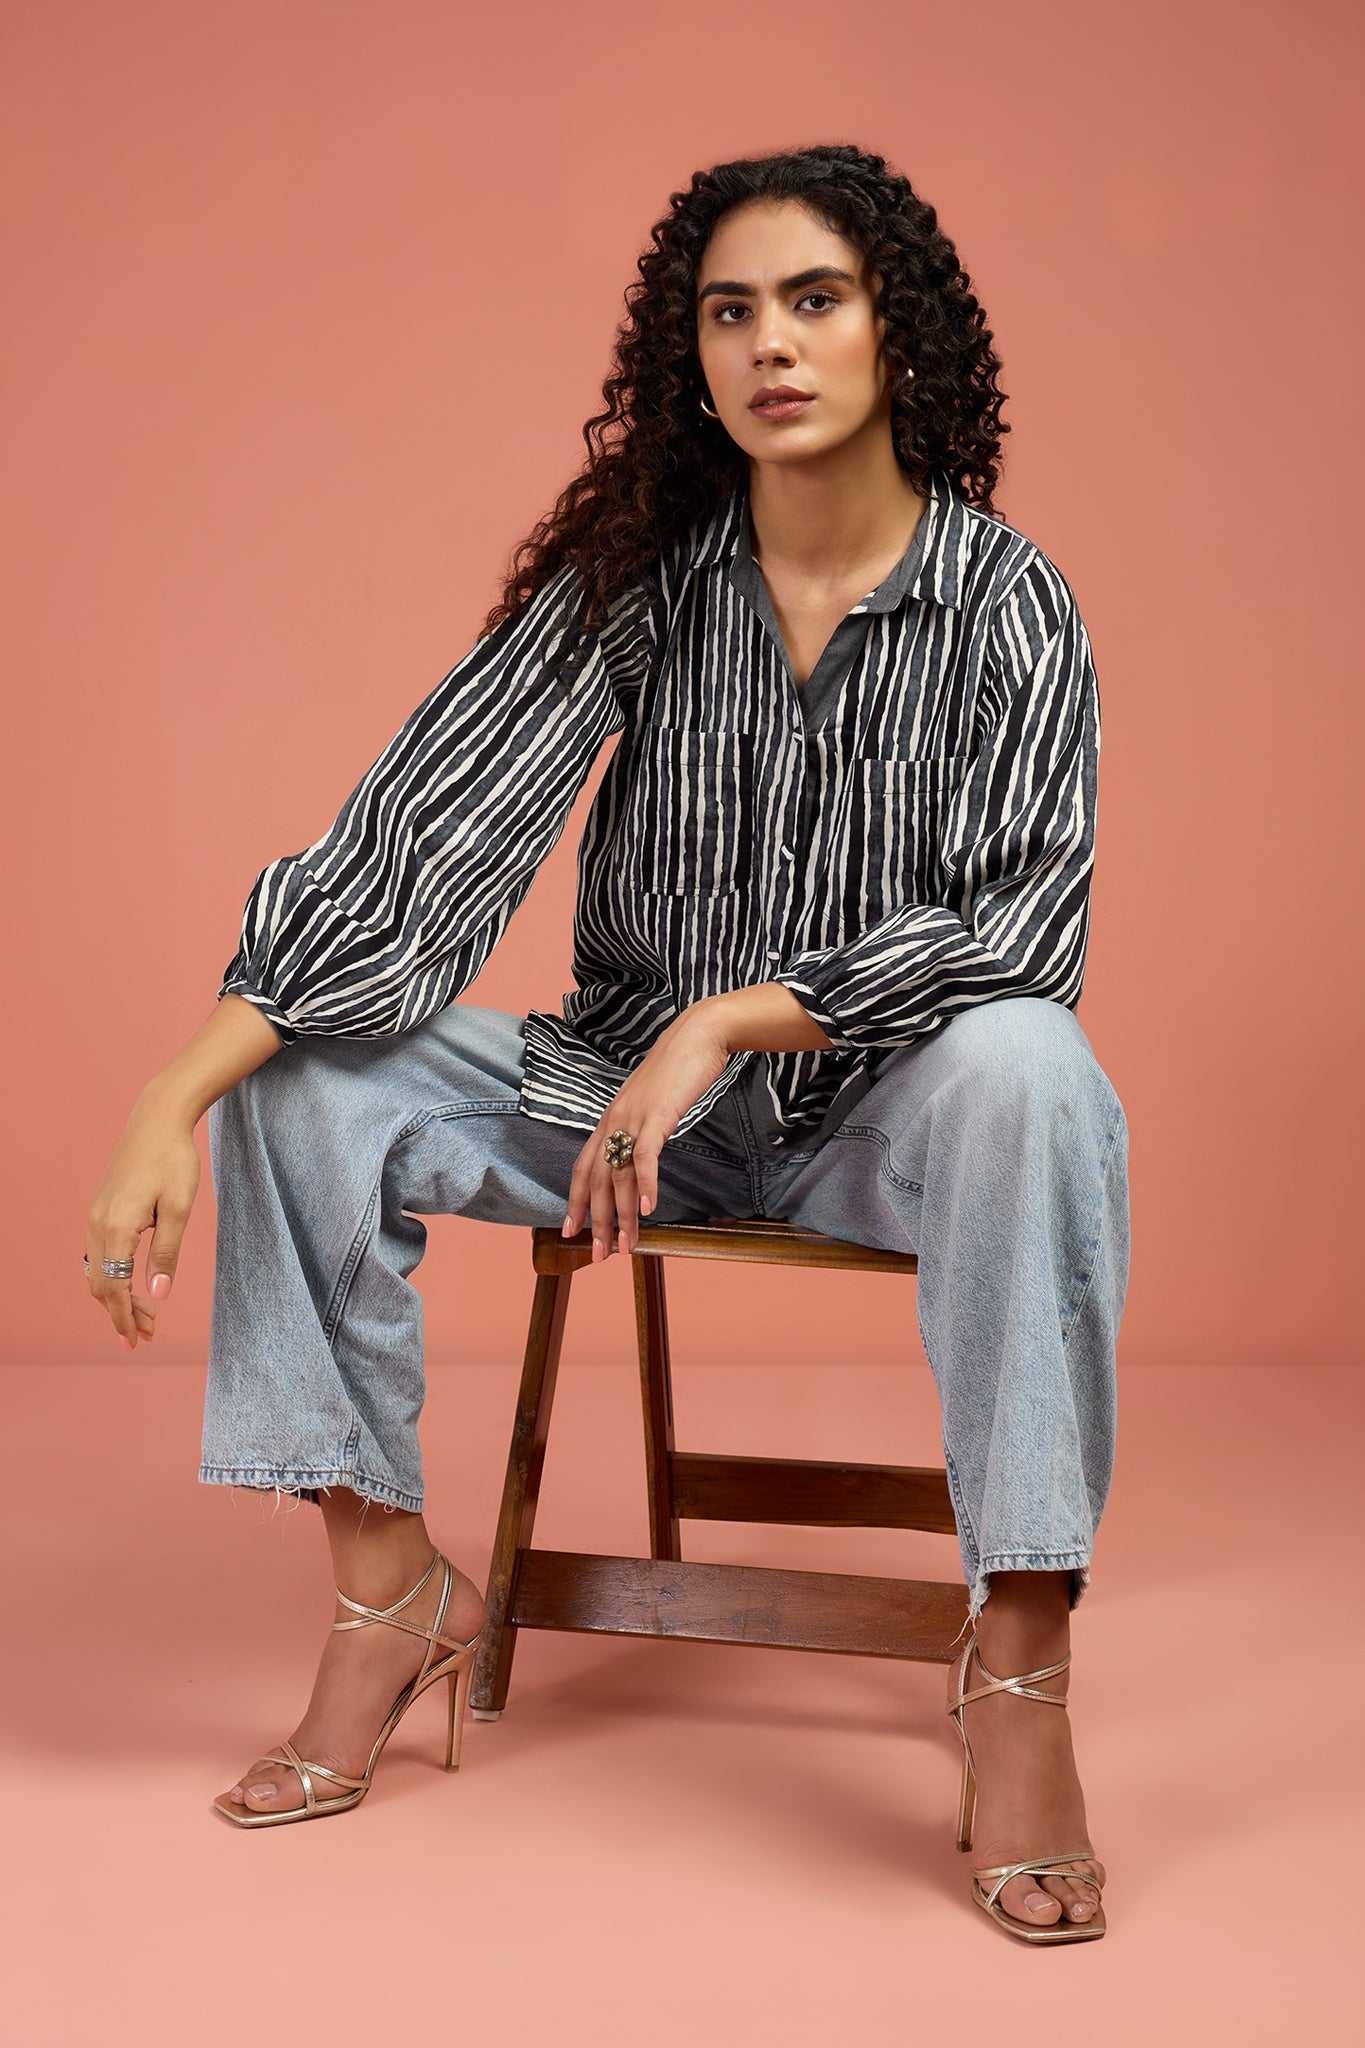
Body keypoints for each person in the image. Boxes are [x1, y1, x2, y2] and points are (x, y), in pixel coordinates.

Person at [84, 143, 1128, 1942]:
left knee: (1035, 1063)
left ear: (898, 334)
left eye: (814, 300)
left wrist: (729, 1017)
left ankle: (1017, 1665)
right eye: (729, 311)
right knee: (298, 1075)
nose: (769, 345)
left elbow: (1021, 930)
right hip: (620, 1112)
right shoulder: (644, 576)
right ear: (687, 353)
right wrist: (167, 1096)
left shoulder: (1010, 603)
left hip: (890, 1120)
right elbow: (415, 838)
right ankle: (389, 1591)